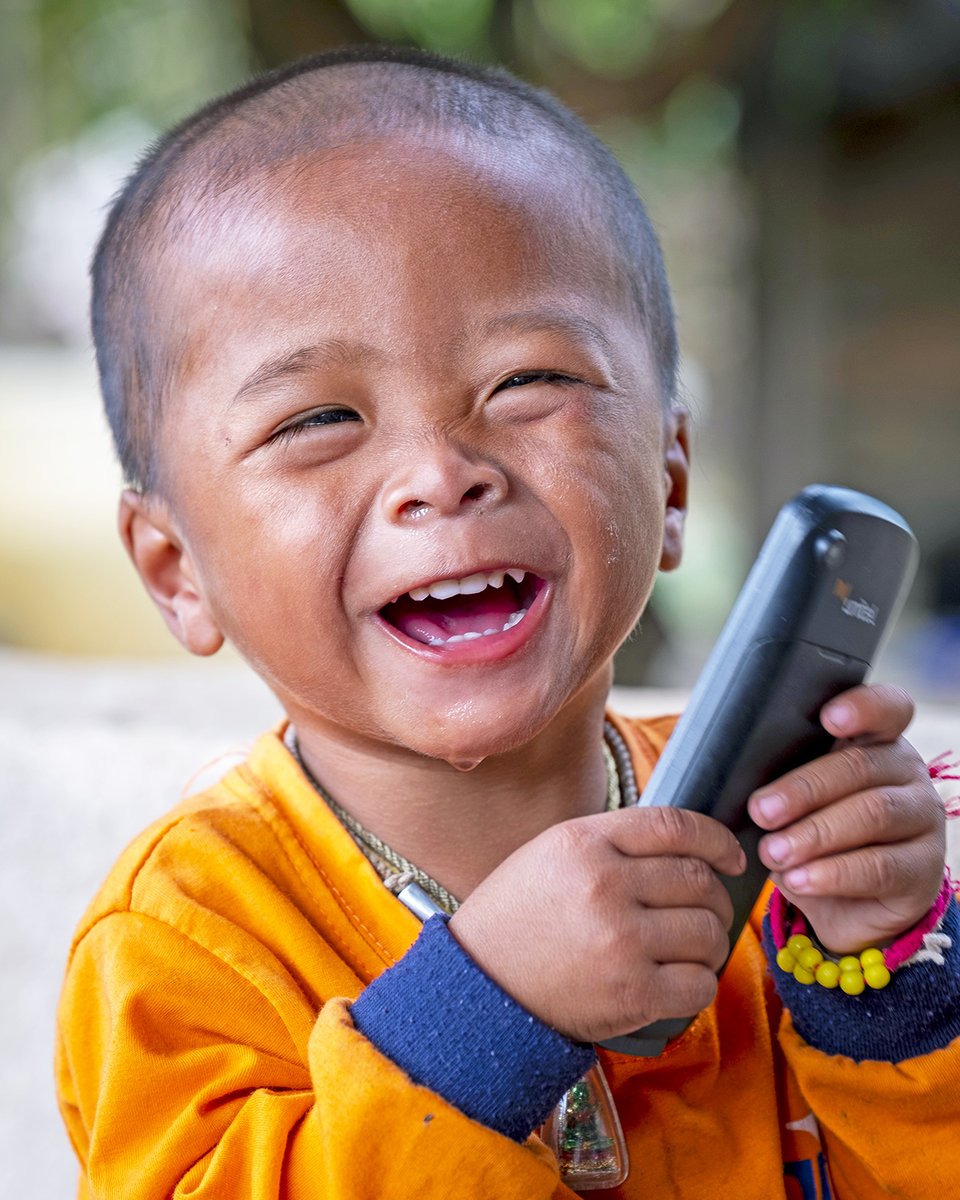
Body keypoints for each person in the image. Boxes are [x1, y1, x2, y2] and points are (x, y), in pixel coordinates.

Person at [55, 46, 959, 1199]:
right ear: (176, 568)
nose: (442, 473)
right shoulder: (188, 934)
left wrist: (886, 981)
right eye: (319, 418)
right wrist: (486, 1018)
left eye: (528, 381)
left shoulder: (774, 842)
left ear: (671, 479)